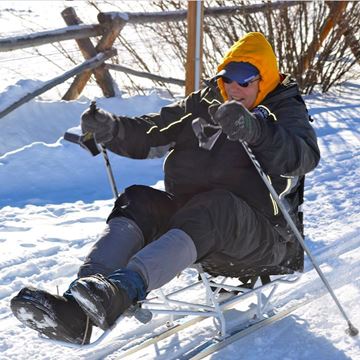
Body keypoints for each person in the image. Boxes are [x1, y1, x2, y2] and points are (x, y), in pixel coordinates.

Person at [10, 32, 320, 344]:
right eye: (227, 78)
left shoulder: (283, 109)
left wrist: (257, 131)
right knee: (137, 199)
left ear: (263, 79)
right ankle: (81, 304)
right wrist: (113, 129)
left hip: (262, 241)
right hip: (194, 227)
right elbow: (152, 130)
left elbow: (303, 156)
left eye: (245, 79)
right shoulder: (207, 102)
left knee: (214, 207)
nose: (233, 88)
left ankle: (124, 289)